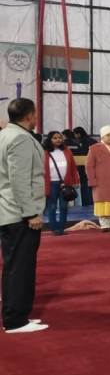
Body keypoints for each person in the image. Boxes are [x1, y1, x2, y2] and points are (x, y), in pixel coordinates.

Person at [0, 98, 47, 333]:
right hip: (19, 214)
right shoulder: (20, 138)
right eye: (35, 113)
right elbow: (19, 180)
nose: (36, 117)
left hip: (9, 210)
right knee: (21, 267)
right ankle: (16, 320)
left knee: (14, 266)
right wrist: (30, 213)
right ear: (29, 115)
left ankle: (16, 315)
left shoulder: (4, 135)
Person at [42, 130, 79, 236]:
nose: (58, 140)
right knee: (52, 206)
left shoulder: (67, 151)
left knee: (64, 206)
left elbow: (73, 168)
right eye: (55, 138)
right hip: (51, 184)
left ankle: (61, 229)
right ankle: (54, 229)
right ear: (49, 140)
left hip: (65, 184)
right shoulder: (44, 152)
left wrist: (75, 181)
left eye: (60, 138)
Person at [70, 127, 95, 206]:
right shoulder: (93, 141)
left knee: (85, 186)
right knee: (92, 186)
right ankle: (92, 202)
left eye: (75, 134)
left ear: (78, 134)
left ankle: (87, 203)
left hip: (83, 168)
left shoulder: (81, 142)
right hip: (94, 168)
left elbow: (80, 154)